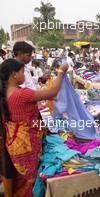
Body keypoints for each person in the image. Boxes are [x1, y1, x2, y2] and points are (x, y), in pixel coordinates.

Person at [0, 58, 68, 196]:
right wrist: (61, 71)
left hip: (14, 143)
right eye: (22, 72)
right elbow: (52, 92)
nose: (24, 75)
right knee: (30, 180)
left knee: (21, 178)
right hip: (27, 144)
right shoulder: (20, 94)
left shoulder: (6, 92)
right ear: (14, 74)